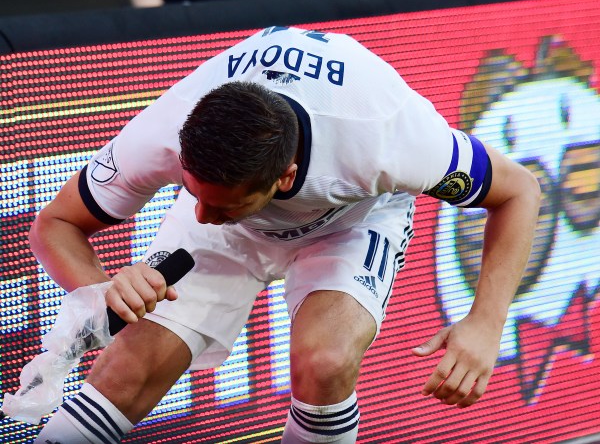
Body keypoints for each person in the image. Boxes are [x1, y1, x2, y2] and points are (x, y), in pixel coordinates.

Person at [31, 26, 540, 443]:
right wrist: (99, 290)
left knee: (325, 361)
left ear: (286, 178)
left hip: (351, 218)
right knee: (128, 371)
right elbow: (56, 224)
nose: (203, 215)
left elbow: (519, 191)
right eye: (192, 192)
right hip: (239, 218)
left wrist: (486, 323)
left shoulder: (387, 138)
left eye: (220, 204)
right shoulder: (166, 132)